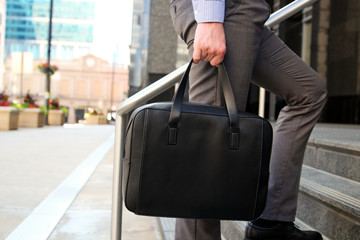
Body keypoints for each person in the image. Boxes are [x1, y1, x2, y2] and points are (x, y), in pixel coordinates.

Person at [169, 0, 327, 239]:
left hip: (249, 13)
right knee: (209, 150)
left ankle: (272, 223)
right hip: (226, 11)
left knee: (309, 92)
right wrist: (210, 18)